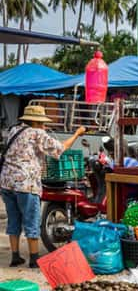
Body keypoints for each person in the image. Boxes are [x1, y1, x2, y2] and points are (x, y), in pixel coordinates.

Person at [0, 106, 85, 267]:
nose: (44, 126)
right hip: (26, 184)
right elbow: (60, 149)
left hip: (6, 182)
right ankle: (33, 259)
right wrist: (77, 134)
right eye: (42, 123)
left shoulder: (14, 130)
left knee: (14, 220)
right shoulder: (37, 133)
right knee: (31, 221)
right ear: (34, 121)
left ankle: (15, 257)